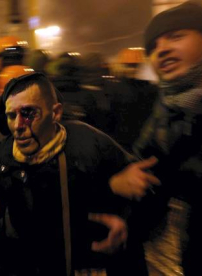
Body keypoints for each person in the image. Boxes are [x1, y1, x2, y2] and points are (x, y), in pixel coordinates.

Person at [0, 73, 159, 276]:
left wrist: (127, 224)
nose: (18, 126)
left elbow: (149, 203)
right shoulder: (0, 158)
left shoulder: (88, 142)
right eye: (11, 116)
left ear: (55, 113)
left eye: (28, 113)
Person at [112, 2, 202, 275]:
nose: (161, 49)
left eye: (176, 36)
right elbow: (148, 180)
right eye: (153, 47)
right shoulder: (166, 110)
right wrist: (120, 183)